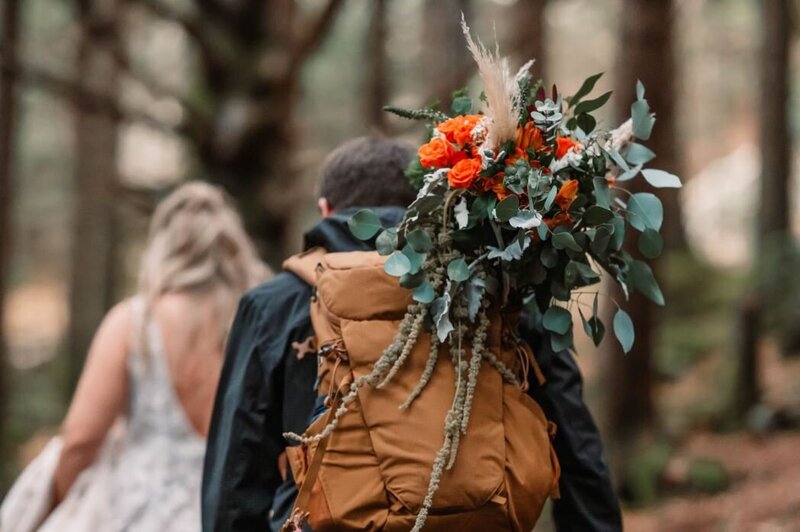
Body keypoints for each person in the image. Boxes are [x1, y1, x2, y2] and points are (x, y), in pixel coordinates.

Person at [201, 136, 623, 532]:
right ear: (431, 207)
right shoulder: (500, 293)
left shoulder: (275, 305)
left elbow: (236, 479)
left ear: (325, 209)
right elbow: (576, 449)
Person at [3, 182, 269, 532]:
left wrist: (49, 507)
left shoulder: (135, 323)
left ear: (163, 246)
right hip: (232, 514)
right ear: (235, 248)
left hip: (138, 517)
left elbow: (81, 442)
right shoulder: (261, 322)